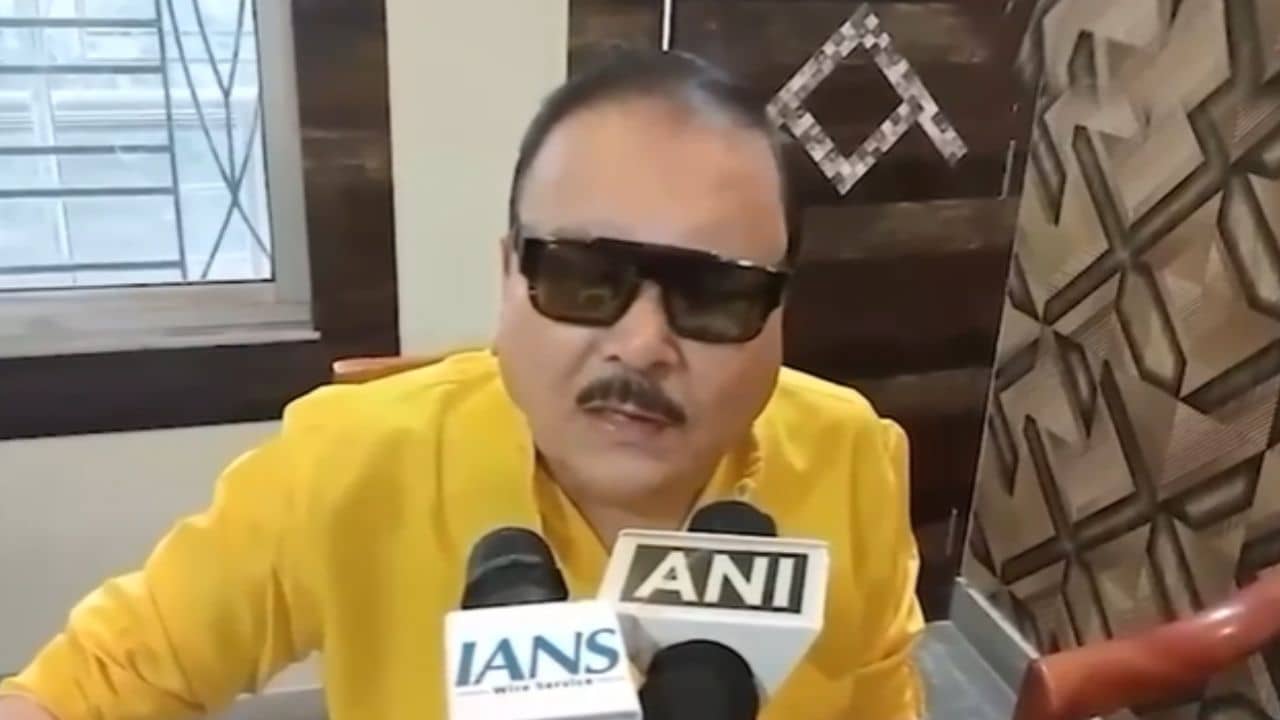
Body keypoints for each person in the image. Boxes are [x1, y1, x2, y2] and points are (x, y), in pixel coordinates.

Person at [0, 50, 923, 719]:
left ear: (779, 318)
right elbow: (93, 685)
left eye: (714, 293)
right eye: (584, 277)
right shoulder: (349, 459)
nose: (642, 345)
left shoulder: (853, 456)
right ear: (508, 276)